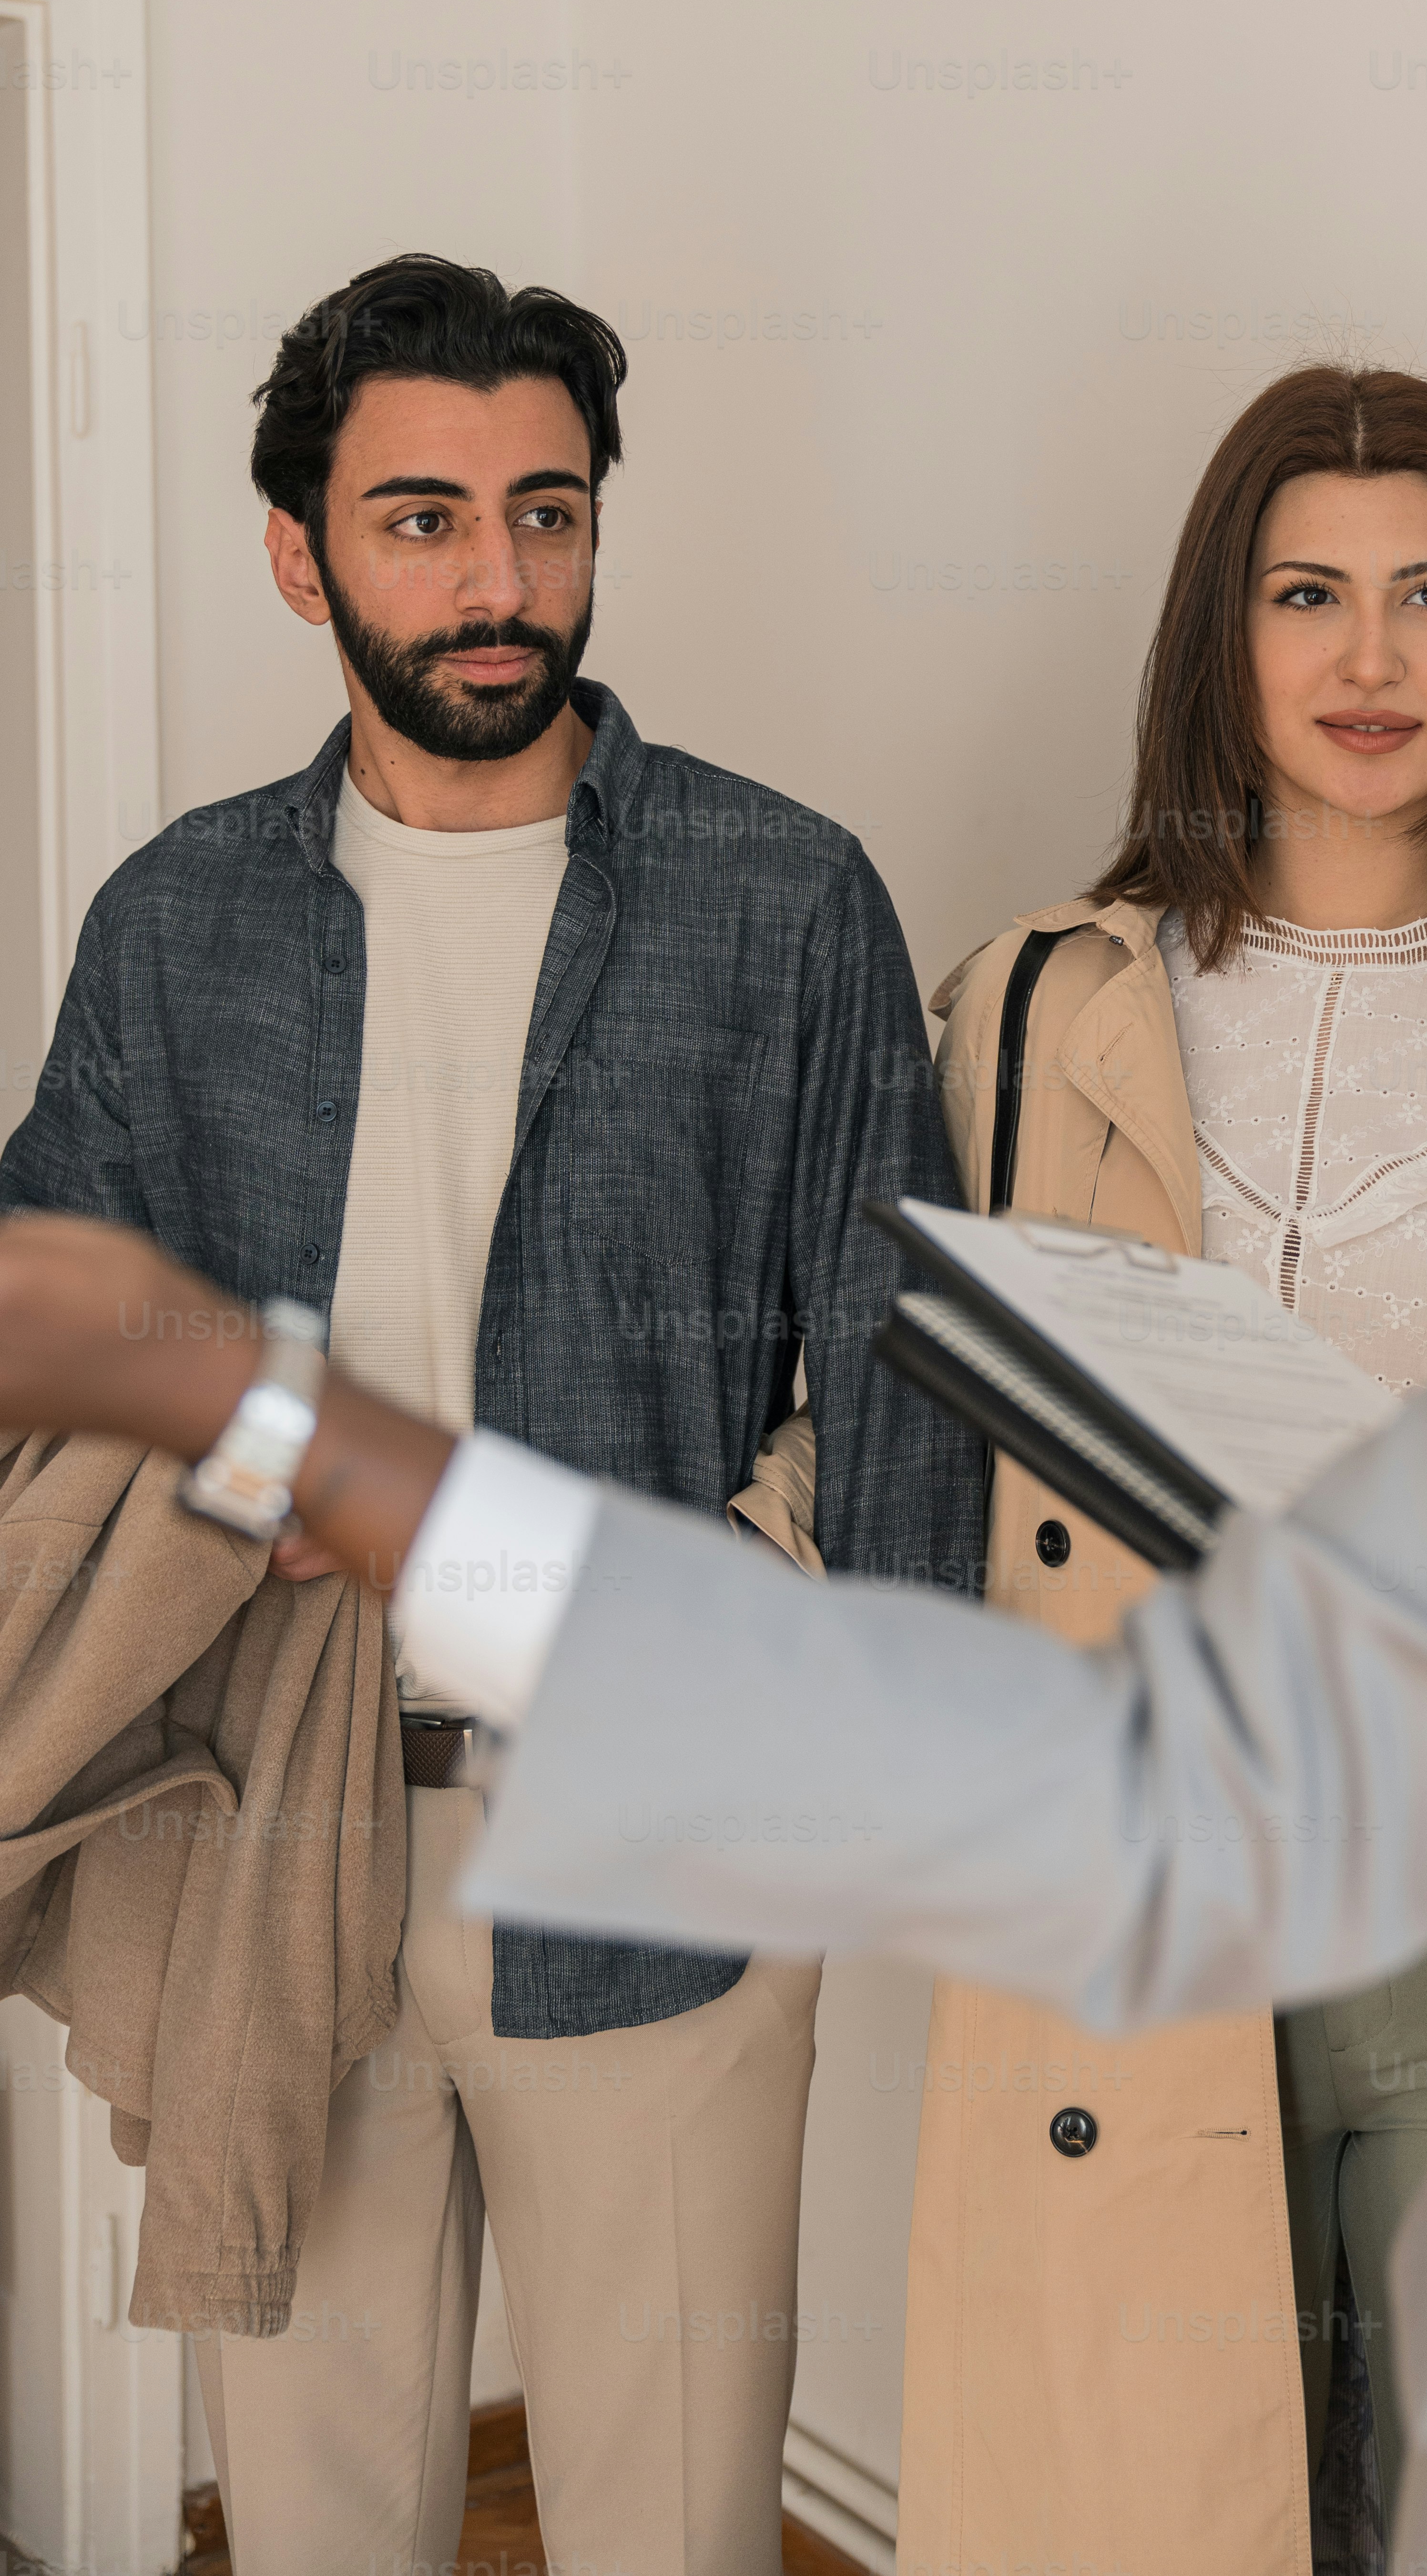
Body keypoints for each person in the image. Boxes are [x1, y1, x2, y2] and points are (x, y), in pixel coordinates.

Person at [7, 0, 1427, 2568]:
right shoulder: (1004, 996)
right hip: (565, 1863)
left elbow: (1194, 1739)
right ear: (307, 559)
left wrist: (337, 1453)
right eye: (1303, 587)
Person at [0, 255, 982, 2576]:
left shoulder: (782, 901)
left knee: (667, 2521)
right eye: (423, 517)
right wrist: (278, 1469)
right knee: (321, 2516)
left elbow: (908, 1367)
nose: (498, 579)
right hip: (278, 1825)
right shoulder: (177, 926)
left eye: (546, 513)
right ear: (299, 551)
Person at [903, 364, 1427, 2575]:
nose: (1369, 660)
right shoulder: (1033, 1009)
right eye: (1306, 593)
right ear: (1213, 638)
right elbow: (880, 1430)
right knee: (1152, 2508)